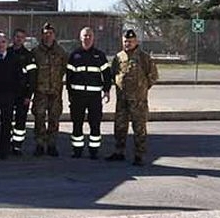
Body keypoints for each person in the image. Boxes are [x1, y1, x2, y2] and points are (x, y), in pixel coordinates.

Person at [107, 29, 159, 166]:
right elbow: (114, 74)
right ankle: (119, 151)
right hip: (122, 100)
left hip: (138, 101)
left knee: (139, 128)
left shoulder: (144, 57)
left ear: (136, 41)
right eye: (125, 41)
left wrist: (142, 88)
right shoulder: (118, 57)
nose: (127, 44)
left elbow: (153, 75)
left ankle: (139, 155)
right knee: (120, 126)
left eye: (130, 41)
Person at [66, 27, 113, 159]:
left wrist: (107, 90)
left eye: (89, 36)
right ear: (80, 38)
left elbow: (107, 75)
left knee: (95, 124)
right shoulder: (74, 55)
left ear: (93, 38)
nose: (87, 38)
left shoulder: (100, 55)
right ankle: (77, 150)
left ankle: (94, 150)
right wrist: (70, 94)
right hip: (77, 97)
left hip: (94, 97)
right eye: (85, 36)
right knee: (77, 123)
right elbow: (69, 77)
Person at [31, 23, 68, 157]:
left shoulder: (61, 51)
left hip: (55, 92)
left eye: (51, 33)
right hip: (40, 92)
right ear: (42, 35)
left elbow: (64, 68)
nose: (48, 35)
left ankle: (52, 144)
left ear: (54, 35)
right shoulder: (35, 52)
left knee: (54, 119)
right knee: (39, 118)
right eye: (46, 33)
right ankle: (40, 144)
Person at [8, 29, 38, 155]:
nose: (19, 39)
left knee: (20, 121)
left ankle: (17, 146)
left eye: (21, 37)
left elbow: (32, 78)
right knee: (6, 119)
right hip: (8, 93)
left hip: (22, 94)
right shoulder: (7, 52)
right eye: (17, 36)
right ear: (13, 38)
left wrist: (28, 96)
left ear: (24, 39)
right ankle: (6, 142)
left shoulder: (28, 56)